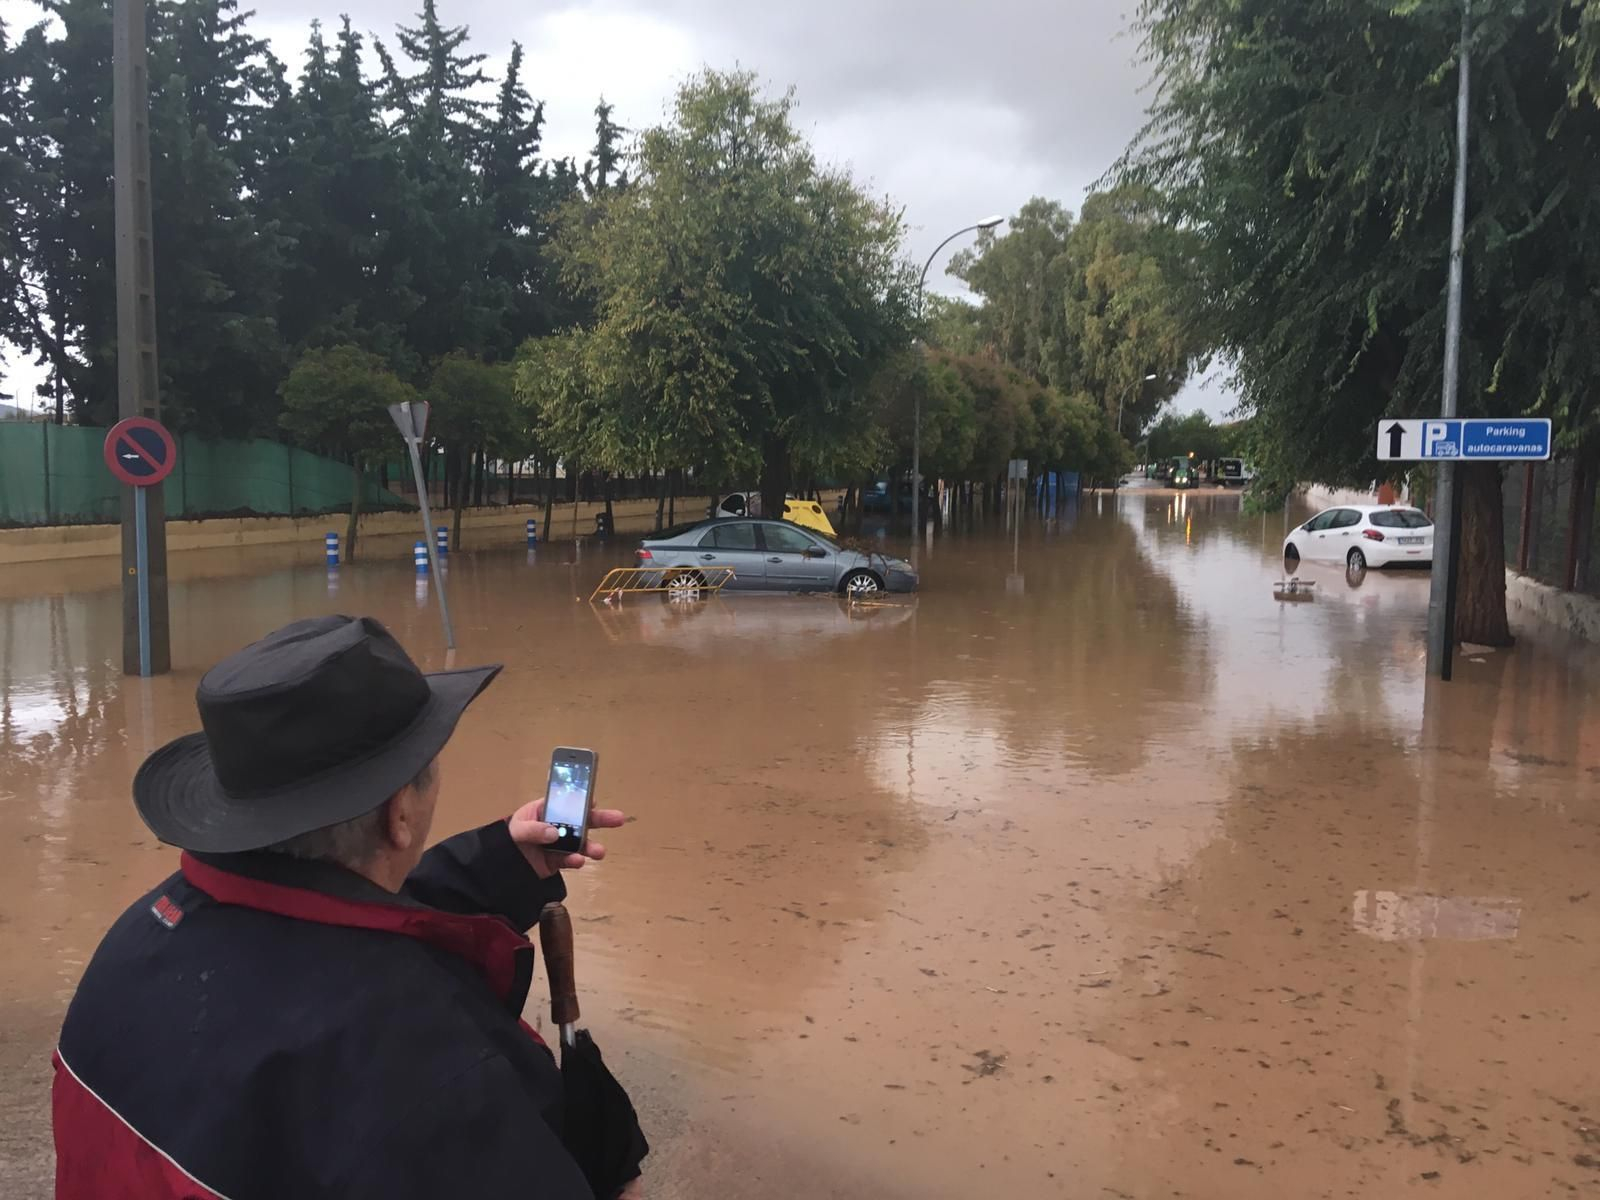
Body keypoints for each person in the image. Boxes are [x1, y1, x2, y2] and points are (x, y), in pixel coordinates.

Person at [52, 615, 647, 1199]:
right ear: (400, 815)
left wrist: (500, 864)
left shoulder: (140, 935)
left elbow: (319, 931)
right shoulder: (432, 1072)